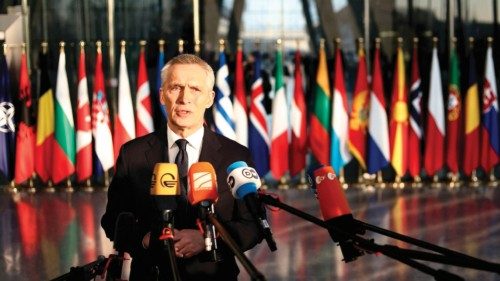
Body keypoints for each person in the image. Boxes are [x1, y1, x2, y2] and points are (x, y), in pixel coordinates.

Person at [101, 54, 263, 280]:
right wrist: (147, 238)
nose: (184, 98)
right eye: (176, 87)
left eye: (195, 89)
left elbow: (253, 225)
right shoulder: (133, 154)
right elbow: (112, 220)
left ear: (209, 98)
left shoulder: (235, 155)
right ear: (161, 95)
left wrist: (207, 238)